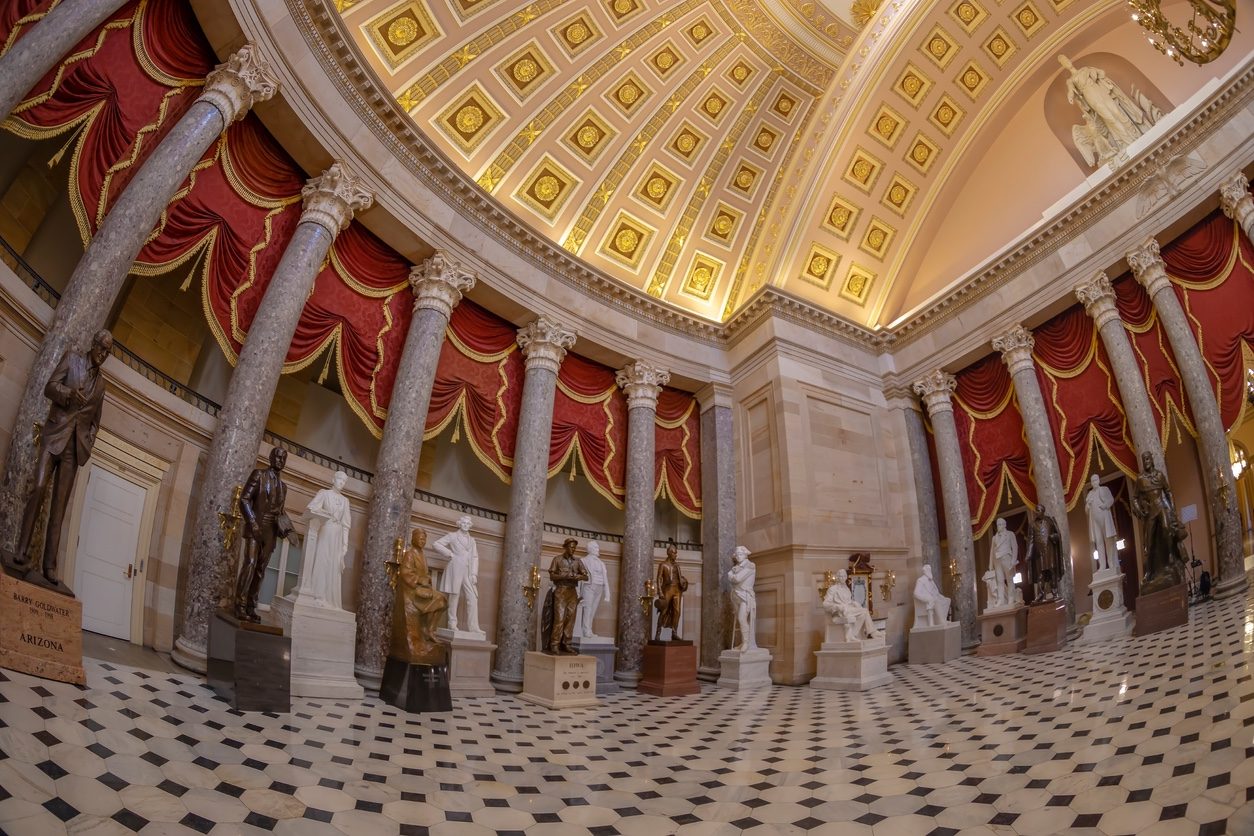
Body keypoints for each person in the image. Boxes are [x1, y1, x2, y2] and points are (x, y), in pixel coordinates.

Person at [10, 329, 112, 595]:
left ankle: (49, 566)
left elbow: (95, 423)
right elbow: (49, 387)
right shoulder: (72, 360)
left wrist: (86, 444)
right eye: (101, 348)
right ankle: (21, 551)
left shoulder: (101, 385)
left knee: (59, 507)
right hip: (54, 435)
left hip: (73, 449)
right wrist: (68, 395)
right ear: (93, 344)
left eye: (107, 352)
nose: (103, 354)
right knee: (39, 487)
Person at [235, 447, 295, 622]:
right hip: (256, 526)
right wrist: (252, 523)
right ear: (270, 457)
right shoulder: (258, 475)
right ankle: (239, 605)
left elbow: (280, 511)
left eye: (283, 458)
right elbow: (244, 499)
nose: (279, 460)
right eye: (277, 456)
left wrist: (287, 529)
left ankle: (251, 607)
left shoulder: (283, 487)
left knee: (261, 570)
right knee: (250, 564)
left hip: (271, 531)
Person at [1059, 54, 1161, 153]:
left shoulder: (1085, 69)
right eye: (1063, 62)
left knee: (1117, 112)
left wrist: (1095, 72)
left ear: (1070, 60)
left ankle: (1136, 135)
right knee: (1109, 118)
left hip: (1100, 91)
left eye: (1066, 60)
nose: (1066, 62)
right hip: (1091, 98)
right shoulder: (1070, 80)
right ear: (1063, 65)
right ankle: (1127, 142)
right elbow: (1071, 91)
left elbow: (1101, 73)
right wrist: (1070, 97)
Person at [389, 527, 448, 666]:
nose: (423, 541)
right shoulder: (410, 554)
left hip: (422, 589)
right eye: (421, 538)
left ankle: (429, 629)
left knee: (443, 601)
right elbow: (405, 573)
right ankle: (427, 630)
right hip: (411, 592)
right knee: (439, 599)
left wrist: (427, 583)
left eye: (425, 539)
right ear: (414, 539)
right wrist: (420, 581)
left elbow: (426, 574)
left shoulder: (422, 554)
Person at [1132, 452, 1187, 593]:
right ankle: (1149, 571)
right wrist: (1139, 509)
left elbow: (1168, 492)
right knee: (1149, 542)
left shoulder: (1159, 476)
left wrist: (1172, 510)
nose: (1146, 461)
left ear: (1152, 460)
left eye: (1148, 459)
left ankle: (1170, 556)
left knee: (1167, 528)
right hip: (1150, 510)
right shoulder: (1140, 479)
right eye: (1144, 460)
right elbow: (1135, 498)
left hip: (1162, 506)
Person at [299, 471, 351, 609]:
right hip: (325, 531)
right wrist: (325, 513)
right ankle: (318, 595)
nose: (341, 483)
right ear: (333, 479)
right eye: (340, 479)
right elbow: (311, 507)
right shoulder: (324, 493)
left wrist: (345, 546)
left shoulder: (346, 501)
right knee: (322, 561)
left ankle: (330, 600)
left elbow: (346, 525)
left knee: (333, 566)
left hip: (338, 536)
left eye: (344, 481)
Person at [432, 515, 481, 635]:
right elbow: (436, 544)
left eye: (468, 523)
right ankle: (452, 624)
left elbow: (475, 557)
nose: (465, 525)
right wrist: (450, 554)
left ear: (470, 525)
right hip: (455, 568)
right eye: (463, 523)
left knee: (473, 598)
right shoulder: (452, 536)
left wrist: (474, 573)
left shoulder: (472, 540)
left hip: (468, 571)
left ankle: (473, 627)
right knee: (454, 596)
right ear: (459, 524)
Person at [541, 538, 587, 654]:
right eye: (571, 547)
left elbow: (586, 576)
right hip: (561, 591)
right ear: (565, 547)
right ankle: (554, 644)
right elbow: (552, 576)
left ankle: (567, 643)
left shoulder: (578, 561)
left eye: (574, 547)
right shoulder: (557, 559)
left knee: (570, 620)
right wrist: (565, 576)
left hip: (572, 592)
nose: (573, 549)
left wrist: (577, 577)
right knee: (559, 619)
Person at [822, 568, 881, 643]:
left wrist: (853, 603)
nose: (843, 578)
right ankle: (873, 632)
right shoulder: (832, 589)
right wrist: (837, 607)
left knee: (862, 614)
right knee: (864, 611)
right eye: (841, 576)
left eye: (844, 576)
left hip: (848, 609)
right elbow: (825, 604)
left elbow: (848, 601)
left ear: (846, 577)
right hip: (840, 611)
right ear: (837, 577)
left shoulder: (846, 589)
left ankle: (852, 635)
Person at [1026, 504, 1064, 601]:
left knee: (1052, 572)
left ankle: (1054, 591)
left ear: (1043, 511)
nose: (1036, 512)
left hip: (1050, 552)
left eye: (1038, 510)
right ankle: (1041, 594)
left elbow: (1058, 534)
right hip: (1039, 554)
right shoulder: (1032, 524)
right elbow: (1031, 540)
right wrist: (1029, 554)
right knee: (1040, 575)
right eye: (1036, 510)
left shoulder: (1050, 521)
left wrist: (1054, 537)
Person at [653, 543, 688, 641]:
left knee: (677, 611)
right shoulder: (663, 565)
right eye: (674, 553)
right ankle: (658, 633)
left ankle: (674, 633)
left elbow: (680, 578)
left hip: (677, 590)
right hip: (667, 589)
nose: (676, 555)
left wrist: (684, 582)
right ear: (669, 553)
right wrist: (660, 592)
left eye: (676, 553)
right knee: (664, 611)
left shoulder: (677, 566)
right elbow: (659, 578)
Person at [1085, 474, 1118, 575]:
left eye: (1095, 480)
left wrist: (1105, 505)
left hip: (1104, 518)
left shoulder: (1104, 489)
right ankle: (1102, 565)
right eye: (1092, 481)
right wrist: (1088, 505)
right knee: (1099, 543)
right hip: (1095, 522)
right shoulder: (1089, 494)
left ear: (1099, 480)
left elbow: (1111, 500)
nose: (1094, 482)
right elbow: (1086, 510)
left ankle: (1111, 563)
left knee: (1108, 541)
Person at [576, 541, 609, 638]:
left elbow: (605, 578)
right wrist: (578, 592)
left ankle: (588, 629)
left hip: (599, 587)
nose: (598, 550)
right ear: (590, 549)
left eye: (598, 548)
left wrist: (607, 593)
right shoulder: (583, 561)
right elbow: (579, 577)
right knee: (587, 608)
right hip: (588, 586)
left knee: (593, 609)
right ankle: (586, 631)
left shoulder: (601, 563)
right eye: (596, 548)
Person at [728, 546, 757, 651]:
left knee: (742, 618)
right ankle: (743, 642)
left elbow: (737, 579)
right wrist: (732, 575)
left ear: (745, 555)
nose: (738, 557)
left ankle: (746, 643)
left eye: (740, 554)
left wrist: (731, 575)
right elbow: (734, 578)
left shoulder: (750, 565)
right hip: (736, 596)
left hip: (745, 596)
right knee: (741, 621)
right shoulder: (736, 567)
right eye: (737, 555)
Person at [990, 518, 1018, 610]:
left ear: (1005, 525)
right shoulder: (994, 538)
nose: (999, 526)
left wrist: (1013, 560)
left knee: (1009, 579)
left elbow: (1015, 547)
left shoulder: (1010, 534)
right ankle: (1001, 600)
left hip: (1007, 558)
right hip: (997, 560)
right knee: (1000, 581)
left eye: (1001, 524)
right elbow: (992, 552)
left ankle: (1011, 598)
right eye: (998, 524)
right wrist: (990, 565)